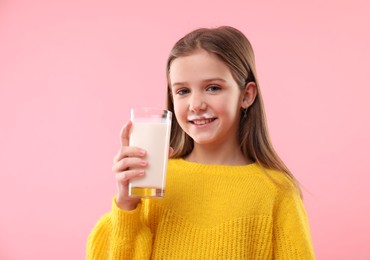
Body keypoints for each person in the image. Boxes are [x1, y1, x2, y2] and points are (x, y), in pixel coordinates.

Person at [87, 26, 315, 259]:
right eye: (183, 91)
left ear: (246, 95)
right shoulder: (154, 182)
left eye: (213, 88)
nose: (195, 104)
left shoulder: (277, 191)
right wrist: (127, 204)